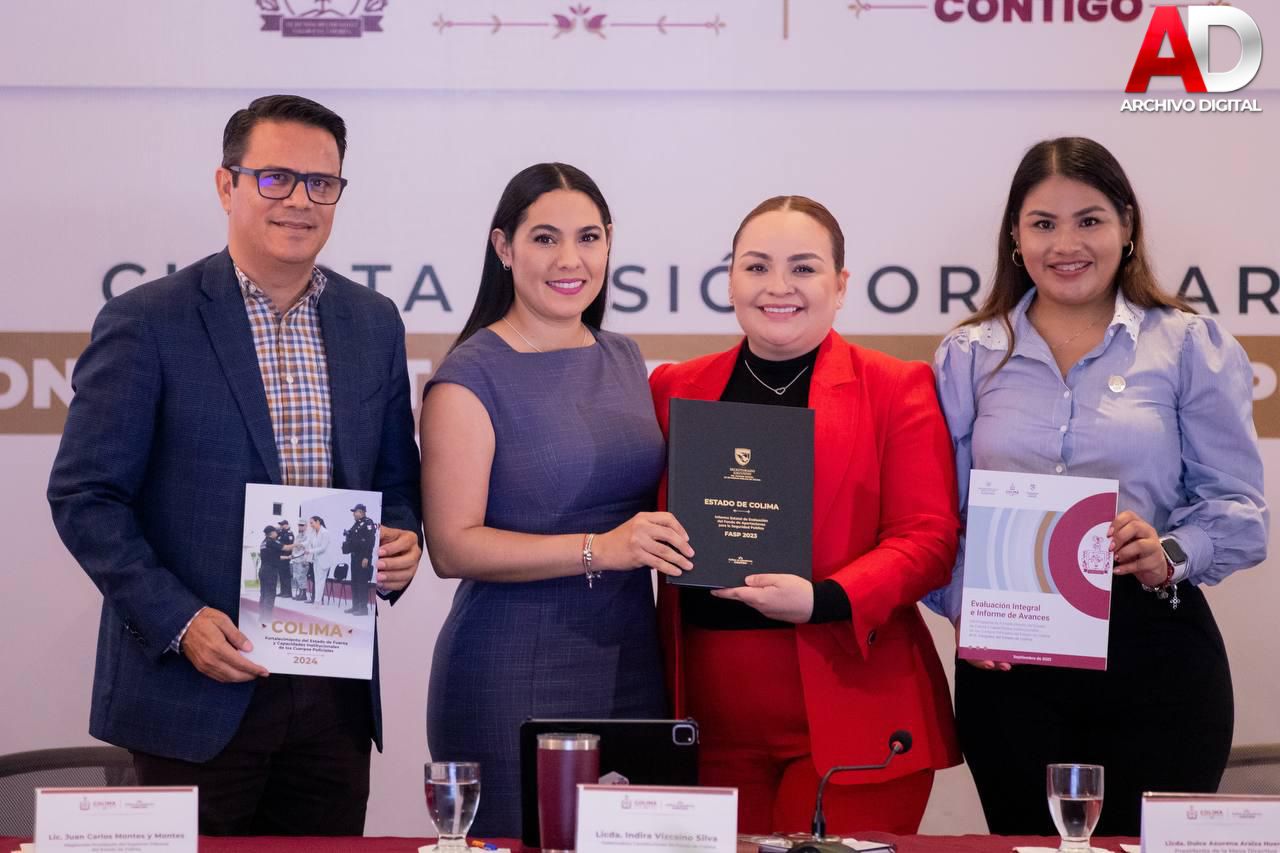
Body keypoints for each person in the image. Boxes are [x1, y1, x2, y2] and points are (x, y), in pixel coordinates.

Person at [47, 94, 423, 836]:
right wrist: (180, 621)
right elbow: (86, 495)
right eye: (275, 178)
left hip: (331, 696)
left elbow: (394, 483)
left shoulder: (372, 323)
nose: (300, 200)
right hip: (193, 688)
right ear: (227, 185)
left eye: (322, 183)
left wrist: (403, 542)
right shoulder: (148, 320)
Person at [924, 137, 1269, 836]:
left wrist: (1168, 551)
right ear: (1015, 237)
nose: (1066, 244)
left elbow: (1240, 511)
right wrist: (965, 609)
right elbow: (934, 518)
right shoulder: (969, 354)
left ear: (1127, 226)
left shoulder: (1188, 345)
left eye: (1089, 220)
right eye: (1043, 223)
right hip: (1011, 662)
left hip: (1155, 649)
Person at [648, 196, 961, 834]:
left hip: (853, 713)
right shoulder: (673, 388)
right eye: (756, 266)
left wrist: (825, 598)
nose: (778, 286)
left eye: (804, 268)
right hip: (703, 721)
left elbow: (927, 539)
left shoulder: (895, 386)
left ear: (840, 286)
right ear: (730, 281)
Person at [420, 162, 693, 837]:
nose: (570, 259)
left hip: (632, 664)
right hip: (510, 668)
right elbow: (453, 547)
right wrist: (603, 548)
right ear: (504, 247)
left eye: (589, 237)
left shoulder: (624, 356)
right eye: (545, 238)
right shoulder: (468, 376)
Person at [343, 504, 378, 616]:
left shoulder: (368, 523)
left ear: (361, 512)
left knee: (362, 582)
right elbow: (354, 537)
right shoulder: (356, 524)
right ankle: (356, 606)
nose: (353, 514)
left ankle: (363, 608)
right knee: (354, 582)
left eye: (355, 512)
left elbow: (370, 541)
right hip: (354, 556)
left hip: (363, 557)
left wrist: (366, 557)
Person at [258, 526, 283, 621]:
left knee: (263, 594)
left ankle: (262, 617)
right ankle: (267, 619)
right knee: (270, 594)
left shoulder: (263, 542)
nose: (277, 533)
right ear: (271, 533)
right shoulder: (271, 542)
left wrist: (288, 557)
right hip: (270, 571)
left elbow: (273, 557)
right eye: (276, 532)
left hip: (263, 570)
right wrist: (297, 545)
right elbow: (285, 547)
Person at [307, 515, 333, 604]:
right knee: (317, 581)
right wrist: (299, 545)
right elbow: (308, 542)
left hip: (323, 561)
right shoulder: (313, 532)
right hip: (316, 560)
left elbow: (323, 548)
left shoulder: (325, 532)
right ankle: (316, 600)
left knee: (321, 582)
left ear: (318, 522)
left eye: (312, 523)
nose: (311, 525)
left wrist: (310, 551)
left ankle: (318, 601)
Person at [276, 518, 296, 598]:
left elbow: (290, 545)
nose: (281, 526)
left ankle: (288, 592)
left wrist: (288, 556)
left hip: (286, 556)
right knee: (281, 575)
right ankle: (283, 591)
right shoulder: (280, 533)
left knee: (286, 575)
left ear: (287, 525)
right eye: (280, 525)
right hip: (280, 557)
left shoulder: (289, 534)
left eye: (282, 524)